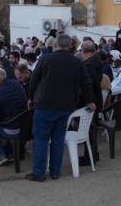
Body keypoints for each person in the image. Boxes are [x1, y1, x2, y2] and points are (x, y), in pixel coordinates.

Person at [26, 34, 94, 182]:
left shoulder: (45, 59)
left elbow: (33, 80)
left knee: (41, 140)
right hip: (65, 106)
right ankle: (55, 172)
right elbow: (86, 83)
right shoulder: (76, 62)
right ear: (70, 46)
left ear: (55, 44)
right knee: (58, 140)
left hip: (44, 105)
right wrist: (89, 101)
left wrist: (31, 97)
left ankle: (39, 172)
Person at [0, 67, 29, 165]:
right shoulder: (16, 83)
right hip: (26, 126)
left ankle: (1, 155)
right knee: (11, 121)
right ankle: (10, 153)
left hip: (13, 129)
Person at [80, 41, 104, 166]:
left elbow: (87, 86)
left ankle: (90, 156)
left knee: (89, 130)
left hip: (90, 102)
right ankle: (92, 153)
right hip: (96, 99)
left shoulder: (88, 67)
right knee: (91, 129)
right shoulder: (97, 62)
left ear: (83, 51)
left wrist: (87, 101)